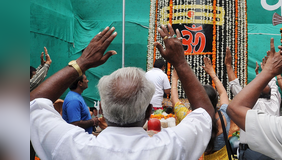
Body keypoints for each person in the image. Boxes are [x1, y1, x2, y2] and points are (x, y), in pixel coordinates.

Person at [30, 25, 215, 160]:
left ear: (103, 108)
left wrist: (82, 62)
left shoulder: (73, 147)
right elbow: (205, 113)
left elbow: (33, 102)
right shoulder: (170, 148)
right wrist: (180, 63)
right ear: (148, 113)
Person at [170, 56, 230, 160]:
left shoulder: (189, 118)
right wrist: (212, 74)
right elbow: (223, 93)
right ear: (216, 100)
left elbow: (174, 99)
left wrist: (175, 79)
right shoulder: (224, 115)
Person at [226, 48, 279, 160]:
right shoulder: (274, 101)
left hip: (255, 153)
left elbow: (234, 85)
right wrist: (268, 70)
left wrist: (229, 66)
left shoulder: (248, 107)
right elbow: (273, 83)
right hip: (265, 152)